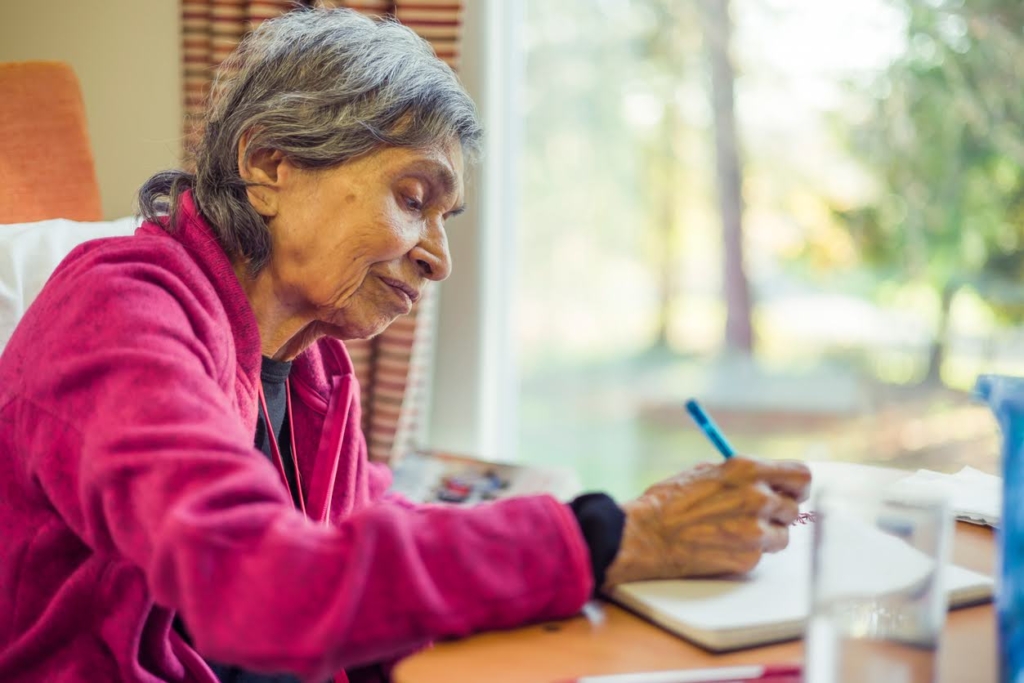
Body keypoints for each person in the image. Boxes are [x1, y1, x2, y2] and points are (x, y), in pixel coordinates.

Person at [0, 8, 810, 683]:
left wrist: (624, 526)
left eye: (444, 219)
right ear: (268, 162)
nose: (439, 257)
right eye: (412, 196)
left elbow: (360, 536)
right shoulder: (120, 312)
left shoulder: (312, 366)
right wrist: (616, 536)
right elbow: (261, 581)